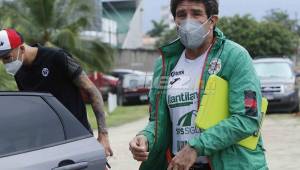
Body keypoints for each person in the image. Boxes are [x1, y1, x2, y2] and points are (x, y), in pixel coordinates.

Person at [129, 0, 268, 169]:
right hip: (178, 164)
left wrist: (196, 147)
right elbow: (159, 121)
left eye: (196, 13)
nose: (188, 21)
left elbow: (247, 117)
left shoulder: (235, 57)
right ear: (175, 20)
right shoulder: (165, 64)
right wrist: (146, 137)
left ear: (212, 20)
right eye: (181, 14)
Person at [0, 28, 113, 157]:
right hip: (49, 144)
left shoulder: (56, 57)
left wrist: (103, 135)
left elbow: (92, 91)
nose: (5, 63)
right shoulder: (19, 72)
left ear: (22, 48)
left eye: (7, 57)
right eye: (2, 59)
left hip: (77, 136)